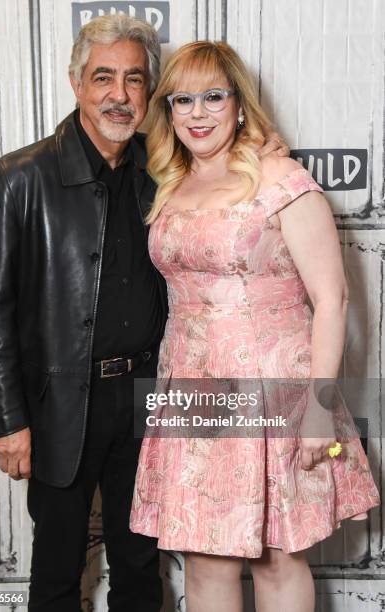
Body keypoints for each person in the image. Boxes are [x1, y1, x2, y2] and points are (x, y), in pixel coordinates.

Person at [0, 15, 288, 612]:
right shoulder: (20, 179)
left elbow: (234, 173)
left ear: (150, 91)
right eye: (103, 78)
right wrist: (6, 420)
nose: (119, 95)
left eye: (135, 80)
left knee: (141, 563)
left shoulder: (167, 169)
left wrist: (267, 149)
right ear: (76, 84)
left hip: (150, 397)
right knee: (59, 563)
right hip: (60, 402)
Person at [130, 41, 380, 612]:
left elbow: (333, 298)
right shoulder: (169, 182)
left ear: (240, 104)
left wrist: (319, 406)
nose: (197, 113)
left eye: (213, 97)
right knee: (205, 556)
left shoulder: (281, 178)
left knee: (276, 556)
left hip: (275, 391)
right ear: (167, 110)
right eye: (182, 99)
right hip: (192, 394)